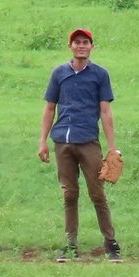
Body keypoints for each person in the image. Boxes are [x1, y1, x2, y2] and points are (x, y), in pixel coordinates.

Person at [38, 27, 121, 262]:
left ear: (92, 47)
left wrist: (112, 148)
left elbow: (105, 111)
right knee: (69, 194)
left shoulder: (99, 75)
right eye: (77, 42)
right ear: (70, 46)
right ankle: (71, 245)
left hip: (87, 141)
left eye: (86, 42)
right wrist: (42, 141)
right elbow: (49, 108)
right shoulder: (59, 74)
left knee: (97, 193)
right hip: (62, 141)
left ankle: (111, 244)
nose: (81, 45)